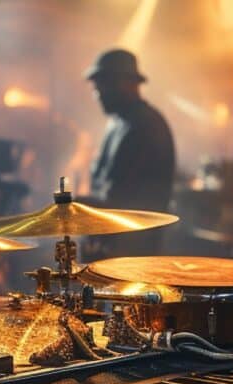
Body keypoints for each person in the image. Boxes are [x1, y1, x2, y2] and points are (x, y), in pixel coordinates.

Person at [82, 48, 176, 258]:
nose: (97, 94)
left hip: (133, 251)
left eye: (102, 86)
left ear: (124, 83)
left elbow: (131, 199)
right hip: (115, 245)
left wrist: (79, 207)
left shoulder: (146, 126)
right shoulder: (118, 123)